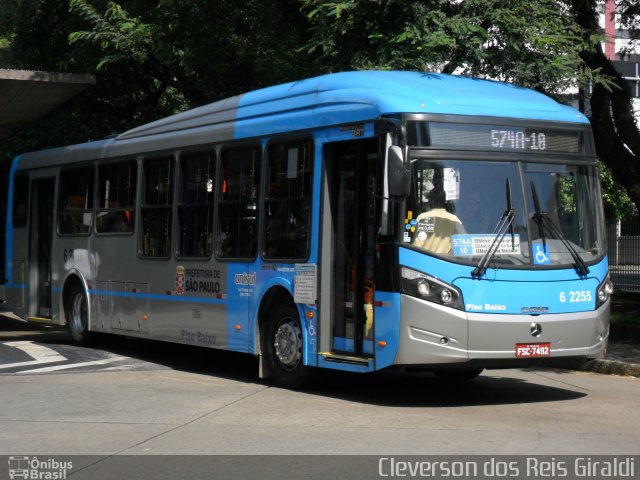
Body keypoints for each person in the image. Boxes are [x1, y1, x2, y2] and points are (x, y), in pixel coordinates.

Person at [413, 187, 465, 254]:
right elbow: (462, 245)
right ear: (445, 202)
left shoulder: (422, 218)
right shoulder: (455, 220)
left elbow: (417, 246)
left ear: (432, 201)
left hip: (424, 262)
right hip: (447, 262)